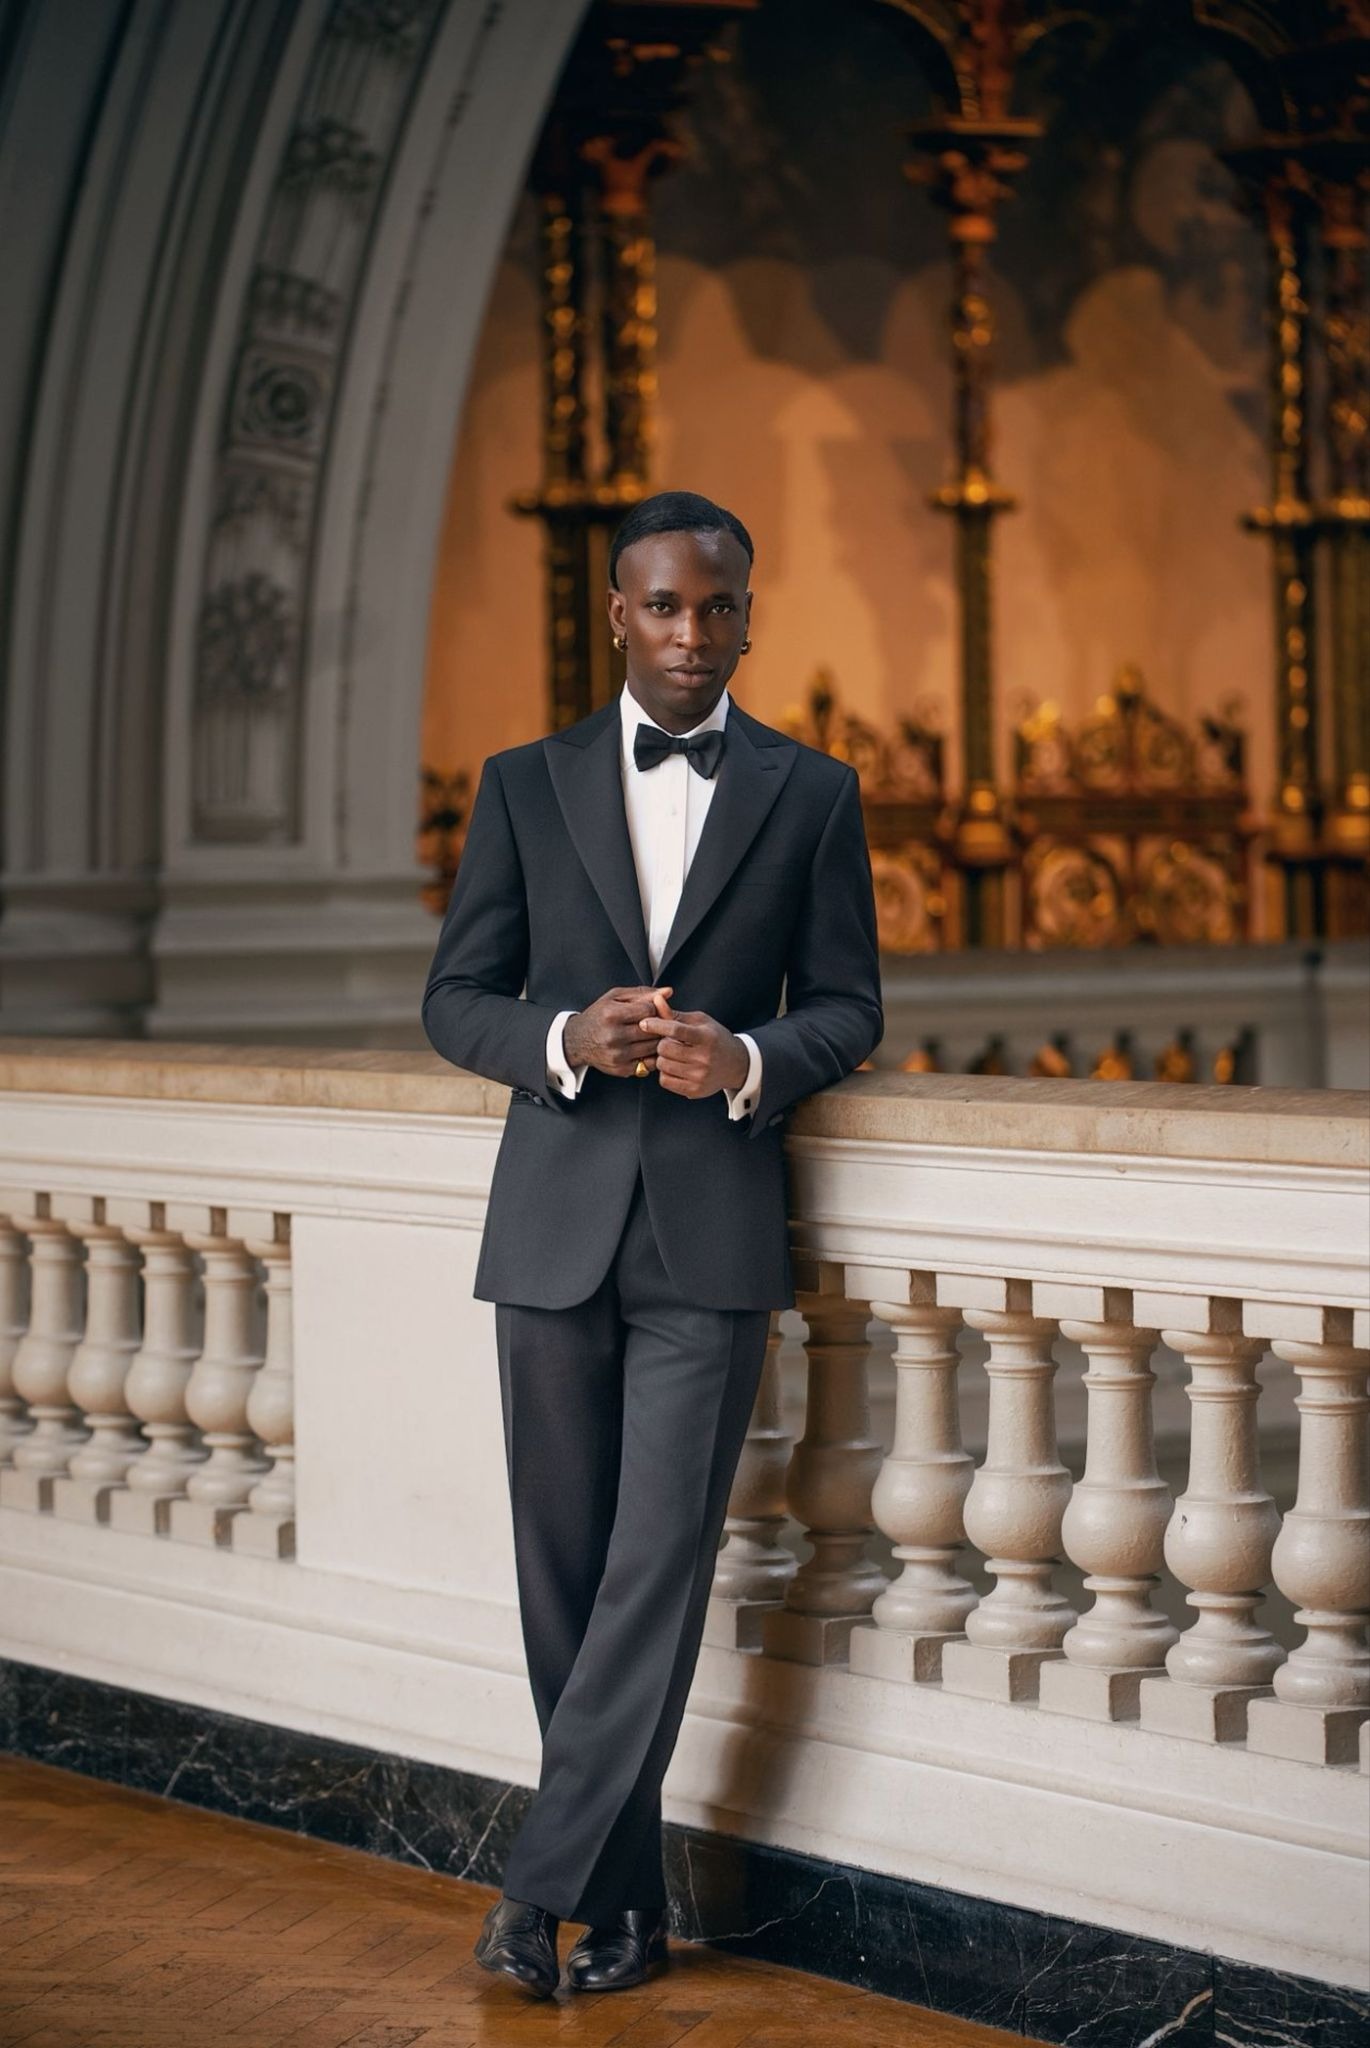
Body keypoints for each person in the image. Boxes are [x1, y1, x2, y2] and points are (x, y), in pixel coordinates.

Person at [421, 490, 882, 1998]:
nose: (694, 634)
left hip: (710, 1236)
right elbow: (457, 996)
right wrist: (564, 1035)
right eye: (666, 606)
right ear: (616, 612)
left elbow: (847, 1005)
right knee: (562, 1579)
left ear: (751, 613)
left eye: (721, 607)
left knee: (652, 1571)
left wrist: (744, 1062)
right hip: (551, 1228)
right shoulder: (520, 782)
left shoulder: (811, 793)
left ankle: (530, 1892)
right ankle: (620, 1909)